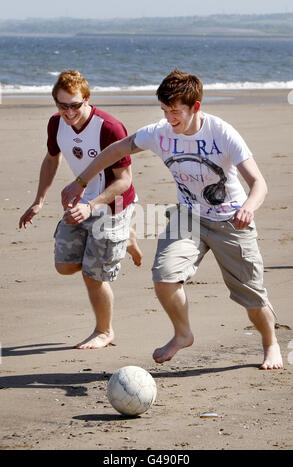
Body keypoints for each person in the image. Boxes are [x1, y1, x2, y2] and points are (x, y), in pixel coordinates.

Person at [61, 69, 283, 370]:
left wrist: (249, 207)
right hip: (187, 218)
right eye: (165, 110)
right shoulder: (160, 132)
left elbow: (259, 183)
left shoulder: (222, 133)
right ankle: (183, 334)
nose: (169, 118)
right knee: (164, 277)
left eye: (175, 111)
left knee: (252, 296)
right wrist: (81, 181)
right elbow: (115, 150)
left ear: (196, 107)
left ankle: (270, 344)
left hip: (232, 221)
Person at [19, 70, 142, 349]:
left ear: (86, 99)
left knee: (92, 273)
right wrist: (39, 200)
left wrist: (90, 206)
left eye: (75, 104)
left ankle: (104, 331)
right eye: (62, 105)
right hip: (81, 200)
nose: (69, 111)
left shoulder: (109, 128)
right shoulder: (56, 123)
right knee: (64, 266)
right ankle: (126, 238)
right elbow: (51, 160)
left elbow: (125, 181)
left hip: (114, 205)